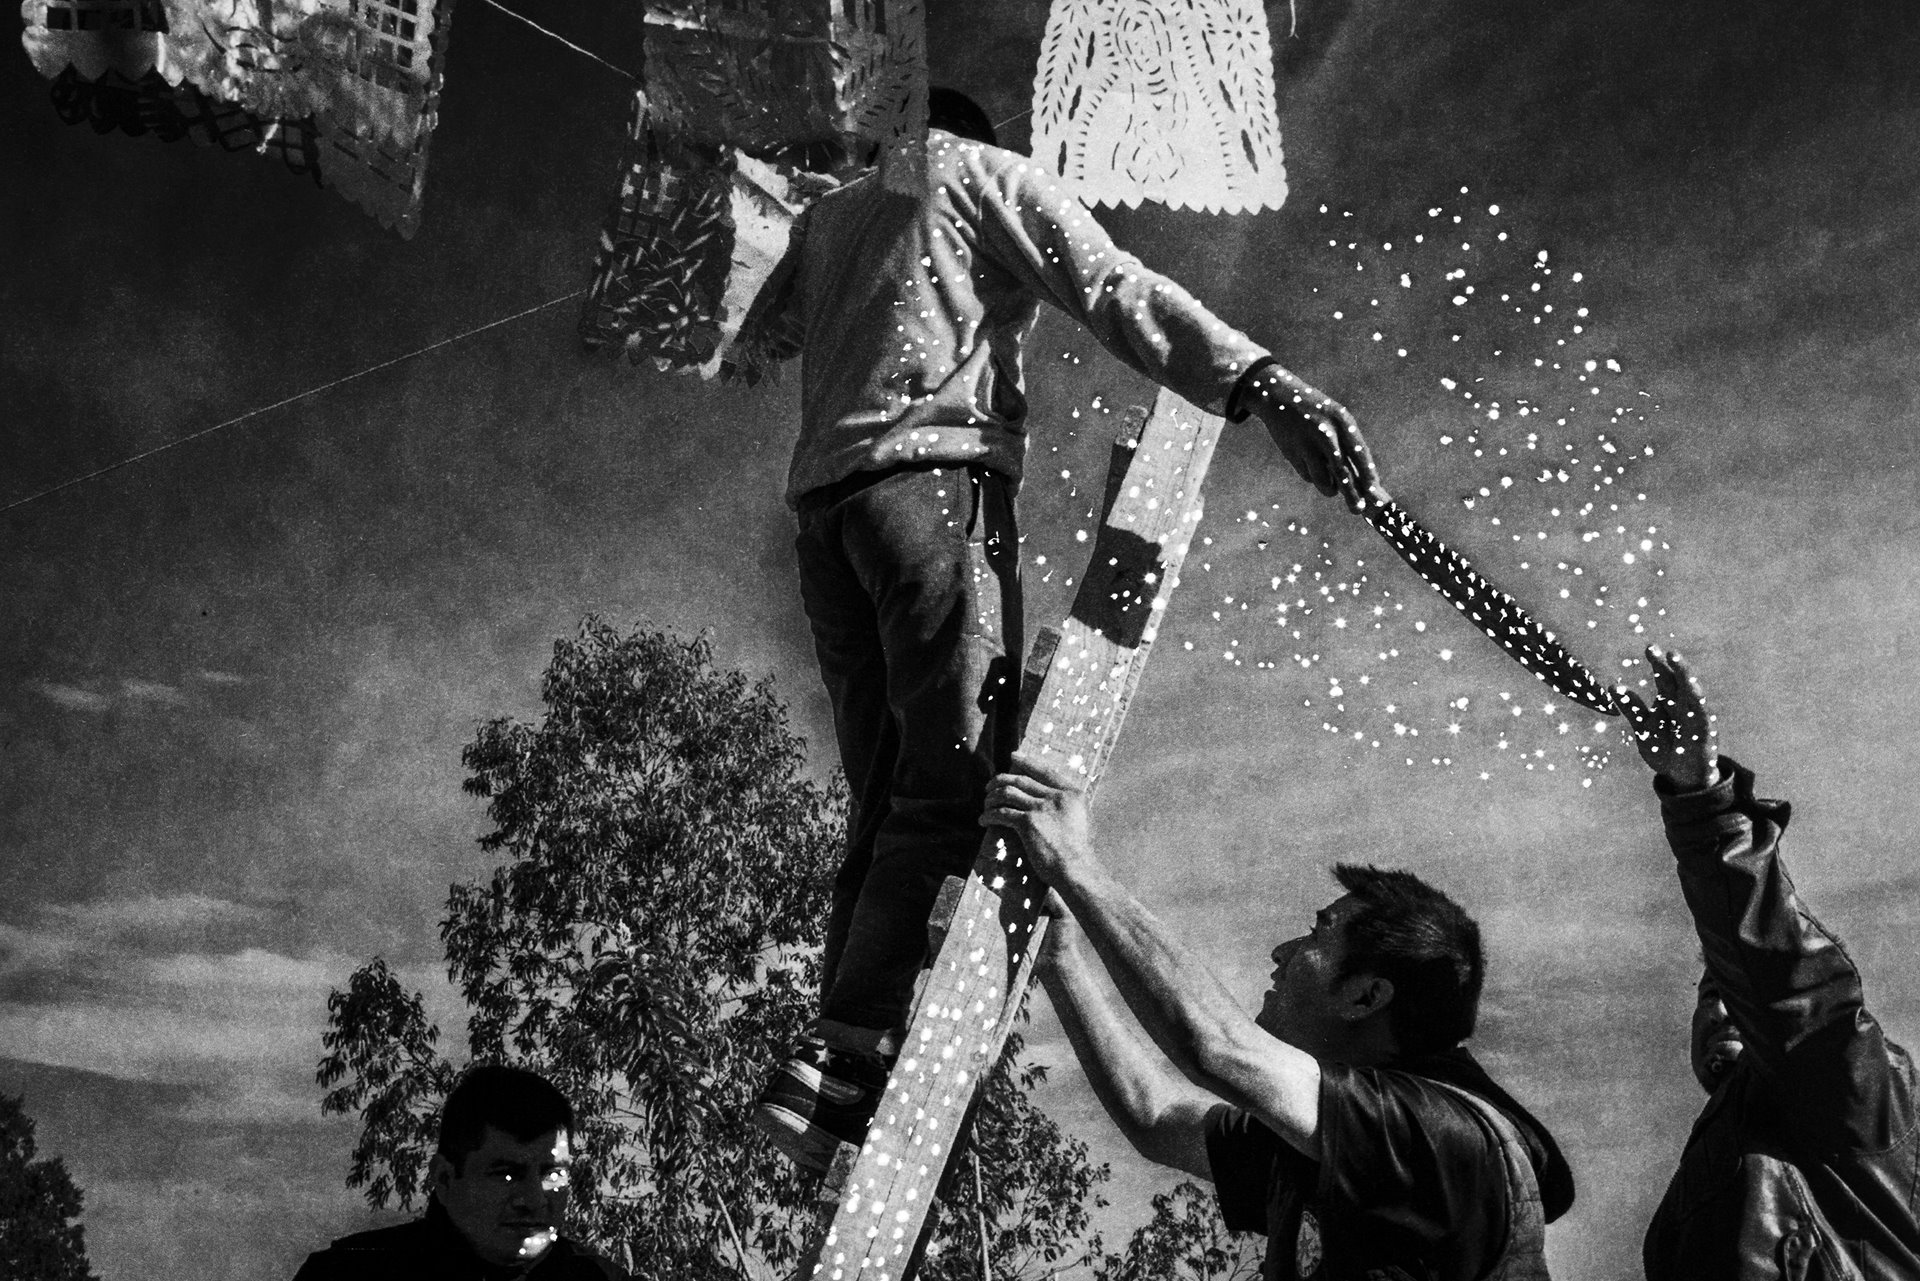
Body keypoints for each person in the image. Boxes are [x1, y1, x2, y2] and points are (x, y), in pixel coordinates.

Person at [755, 84, 1387, 1173]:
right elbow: (1111, 286)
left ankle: (830, 1060)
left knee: (885, 794)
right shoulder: (969, 172)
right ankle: (854, 1051)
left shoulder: (828, 221)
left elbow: (761, 327)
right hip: (929, 493)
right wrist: (1260, 384)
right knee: (953, 789)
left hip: (826, 519)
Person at [978, 754, 1575, 1280]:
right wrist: (1060, 955)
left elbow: (1215, 1046)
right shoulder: (1330, 1137)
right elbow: (1155, 1115)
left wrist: (1077, 866)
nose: (1282, 952)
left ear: (1366, 997)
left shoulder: (1433, 1137)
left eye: (1319, 933)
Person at [1617, 647, 1920, 1279]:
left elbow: (1781, 974)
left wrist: (1703, 799)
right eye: (1707, 996)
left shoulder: (1851, 1087)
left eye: (1732, 990)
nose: (1720, 1008)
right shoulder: (1707, 1168)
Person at [292, 1065, 626, 1281]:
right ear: (445, 1180)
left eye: (553, 1174)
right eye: (506, 1174)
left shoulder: (602, 1279)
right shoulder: (348, 1275)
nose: (534, 1200)